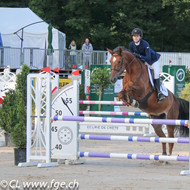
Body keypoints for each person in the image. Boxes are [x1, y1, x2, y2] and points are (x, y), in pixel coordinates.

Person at [129, 28, 165, 103]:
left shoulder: (145, 44)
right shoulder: (131, 45)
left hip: (152, 61)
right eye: (134, 36)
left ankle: (159, 93)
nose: (135, 37)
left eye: (137, 36)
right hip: (142, 62)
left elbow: (148, 58)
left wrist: (138, 56)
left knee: (155, 75)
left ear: (140, 37)